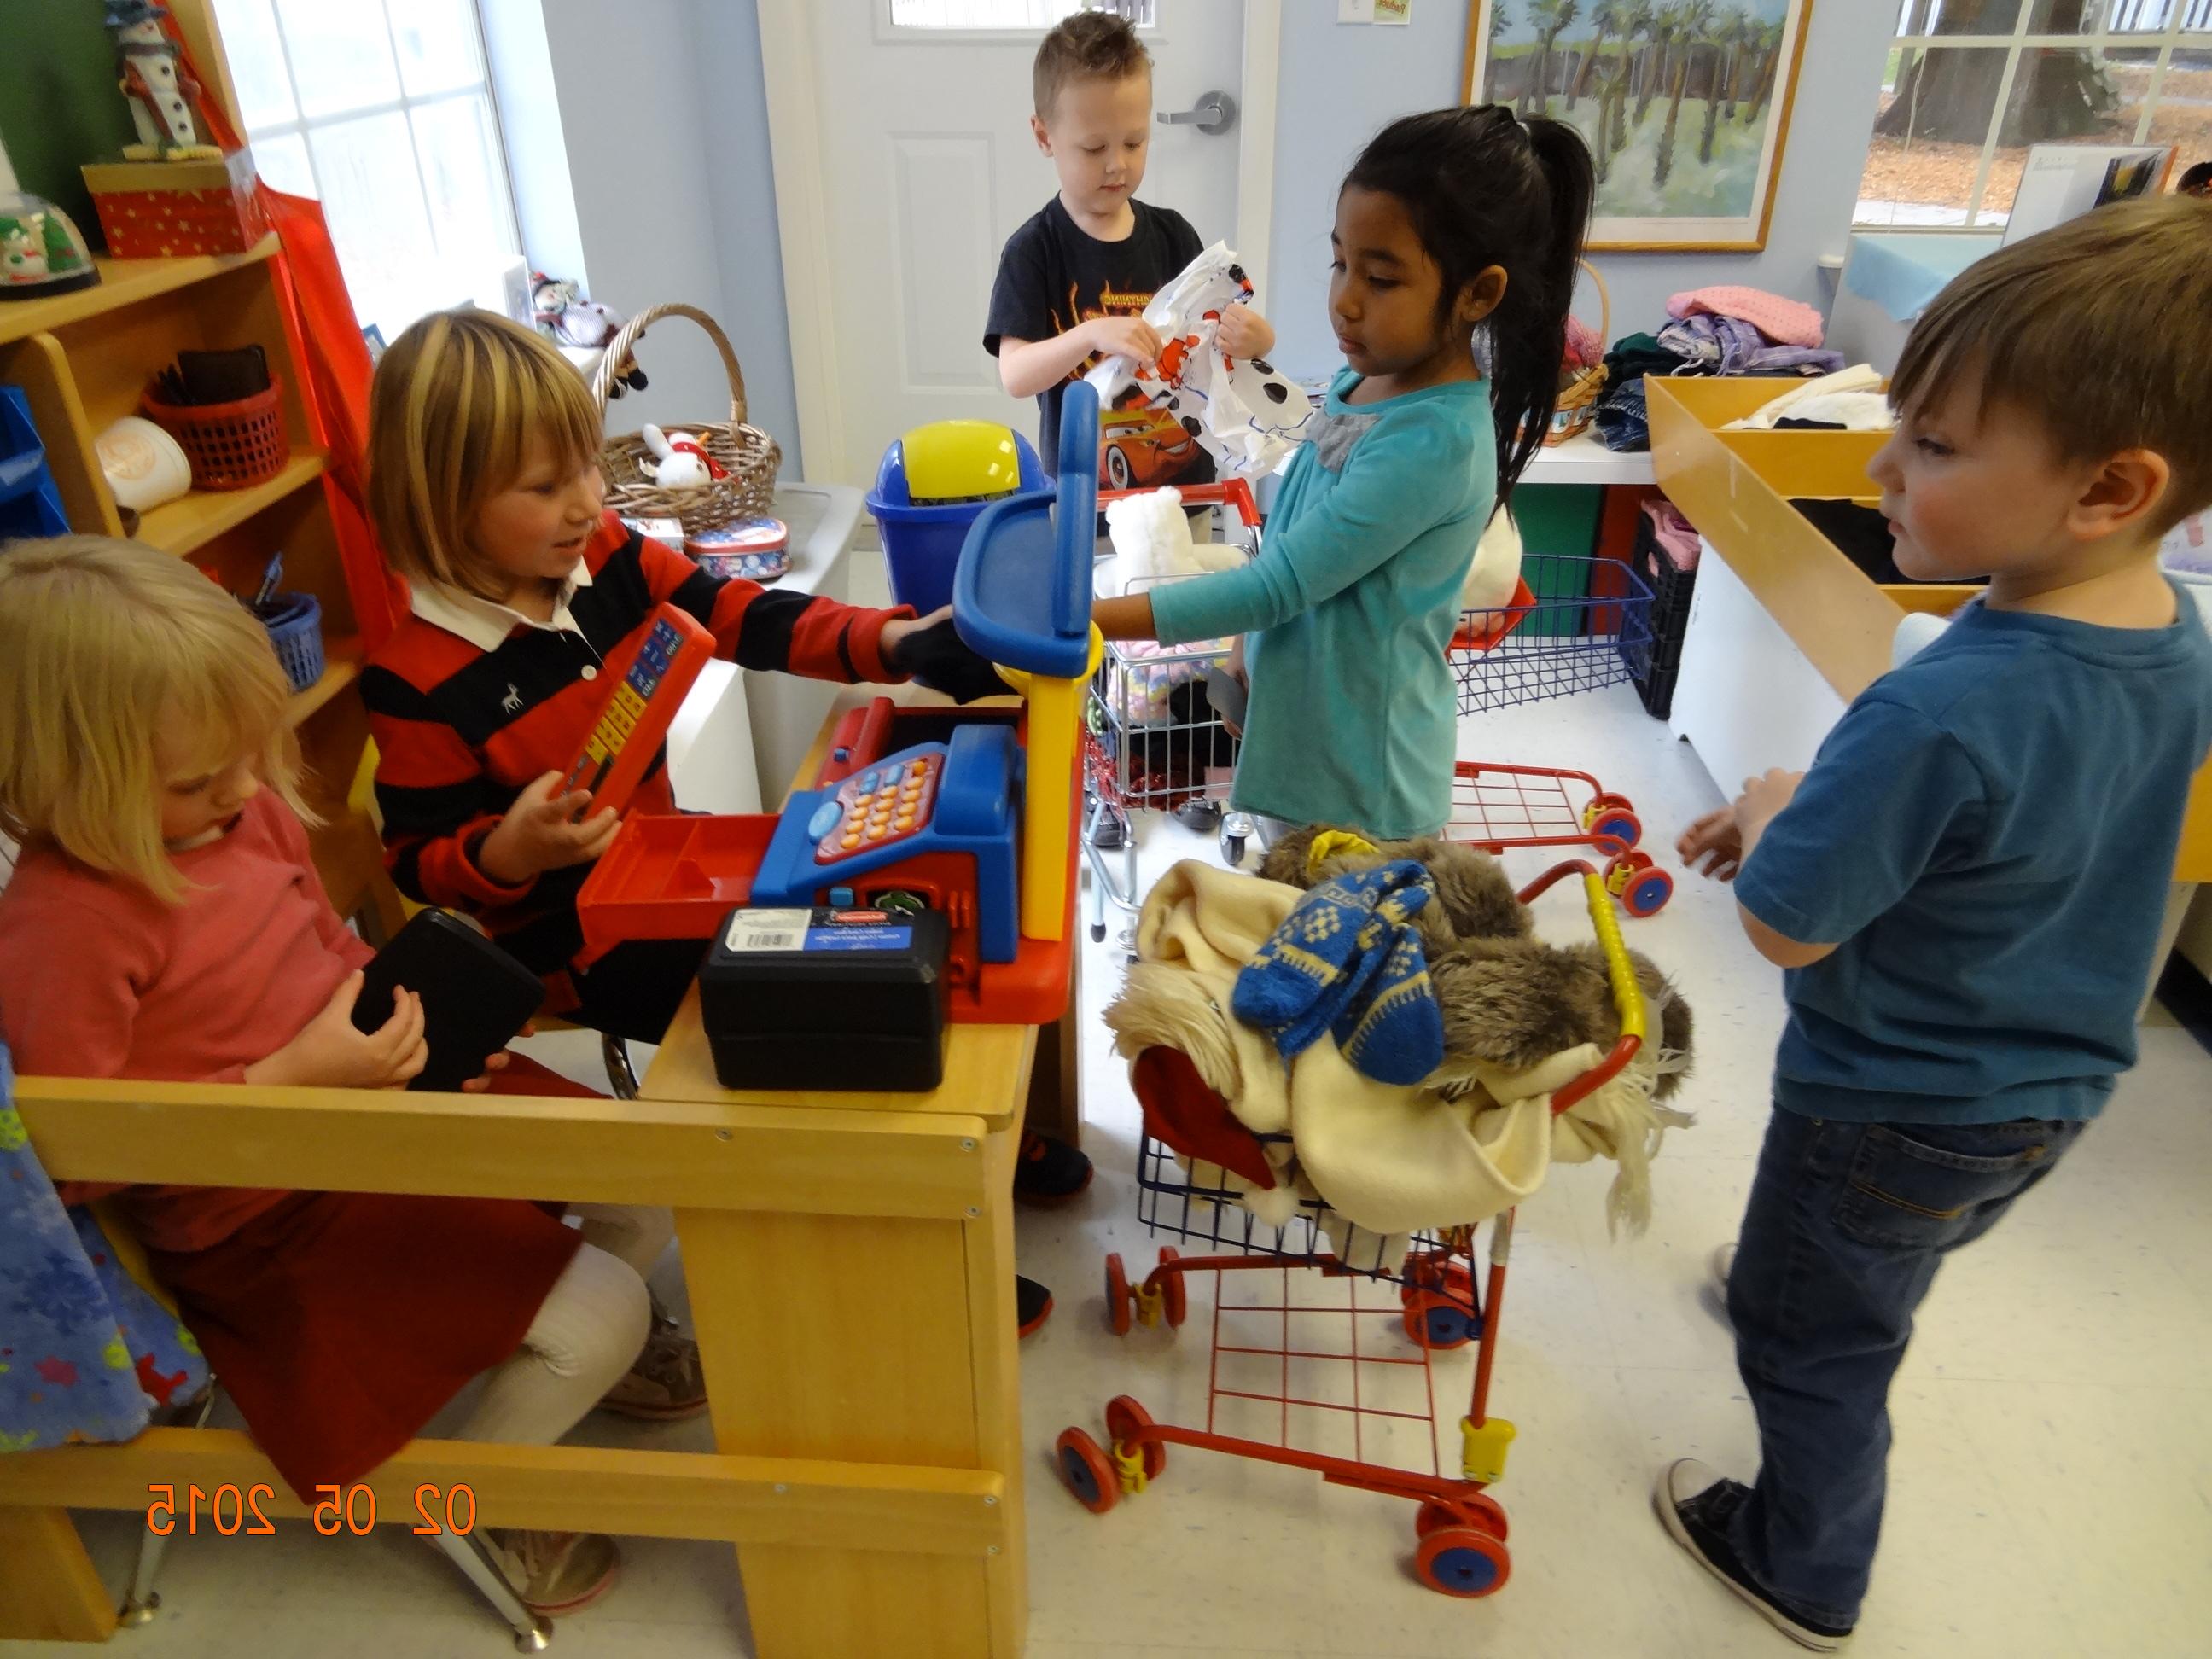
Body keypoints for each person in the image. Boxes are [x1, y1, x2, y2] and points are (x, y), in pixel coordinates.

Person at [1664, 194, 2212, 1650]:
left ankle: (1801, 1560)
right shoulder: (2163, 633)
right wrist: (1814, 789)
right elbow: (2001, 827)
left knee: (1818, 1348)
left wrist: (1783, 808)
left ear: (2107, 486)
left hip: (1884, 1102)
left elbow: (1784, 925)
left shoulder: (1936, 708)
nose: (1882, 460)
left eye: (1934, 443)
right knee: (1865, 1259)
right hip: (2048, 1086)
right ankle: (1810, 1276)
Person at [0, 537, 687, 1616]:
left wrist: (418, 1029)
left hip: (363, 1097)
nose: (242, 790)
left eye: (250, 751)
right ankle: (481, 1496)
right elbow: (75, 1162)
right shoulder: (65, 921)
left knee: (645, 1181)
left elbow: (334, 949)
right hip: (264, 1213)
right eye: (195, 780)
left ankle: (542, 1353)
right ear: (55, 783)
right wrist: (294, 1078)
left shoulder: (243, 803)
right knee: (606, 1316)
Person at [359, 308, 1084, 1331]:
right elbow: (418, 863)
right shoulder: (414, 678)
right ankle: (908, 1242)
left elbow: (748, 614)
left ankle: (978, 1143)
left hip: (670, 867)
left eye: (585, 470)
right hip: (579, 942)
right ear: (441, 505)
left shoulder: (606, 551)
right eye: (544, 486)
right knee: (832, 1002)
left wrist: (897, 643)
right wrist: (506, 850)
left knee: (880, 913)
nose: (585, 502)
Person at [1091, 106, 1594, 842]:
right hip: (1301, 750)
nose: (1345, 299)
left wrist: (1089, 625)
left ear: (1478, 294)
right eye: (1341, 262)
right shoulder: (1364, 382)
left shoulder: (1437, 442)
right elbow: (1291, 526)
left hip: (1363, 790)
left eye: (1382, 278)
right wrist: (1244, 650)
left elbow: (1277, 588)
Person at [985, 8, 1274, 487]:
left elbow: (1213, 355)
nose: (1117, 164)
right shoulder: (1034, 250)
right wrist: (1089, 336)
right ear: (1044, 137)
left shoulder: (1174, 238)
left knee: (1183, 567)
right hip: (1085, 501)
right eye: (1095, 149)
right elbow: (1015, 375)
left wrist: (1254, 341)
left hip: (1184, 493)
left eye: (1135, 143)